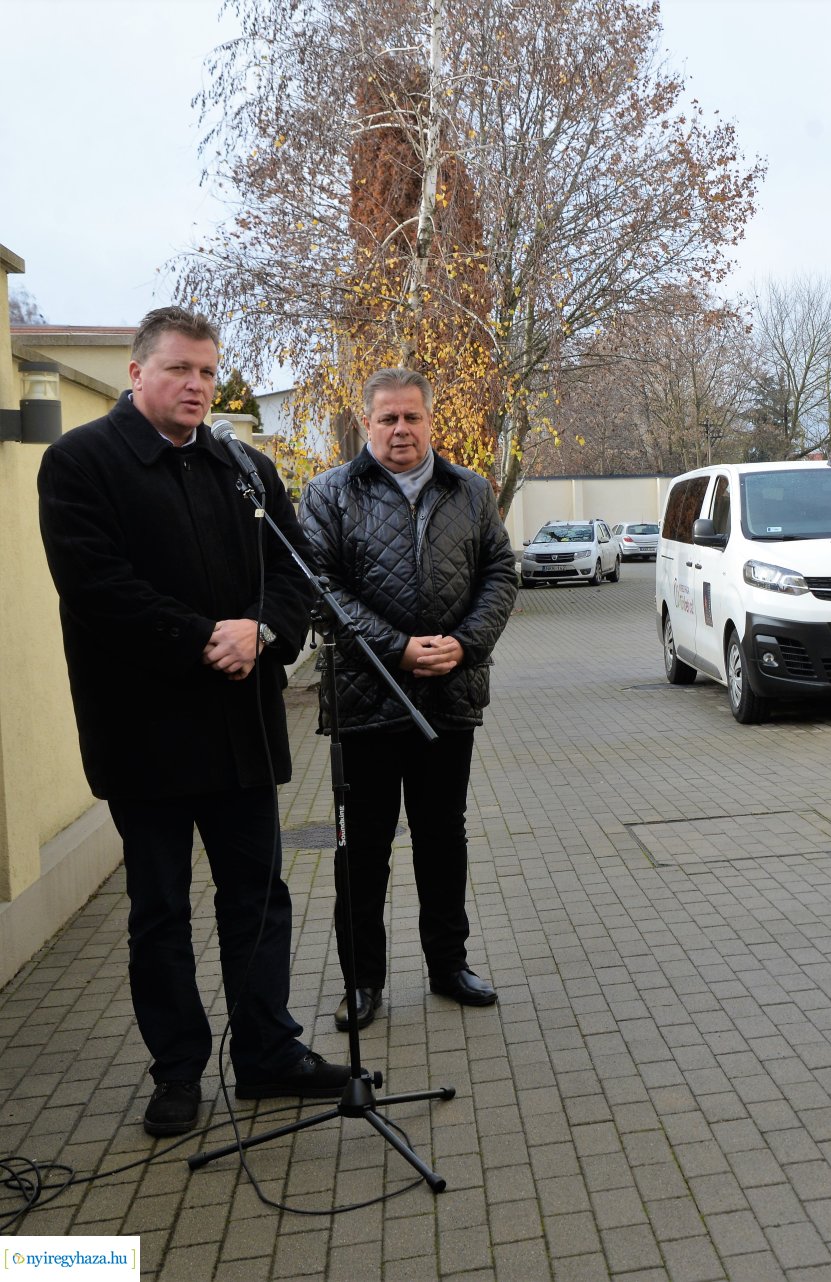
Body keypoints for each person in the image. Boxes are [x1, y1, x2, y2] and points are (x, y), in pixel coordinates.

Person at [37, 307, 349, 1136]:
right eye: (181, 370)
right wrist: (205, 637)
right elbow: (97, 588)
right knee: (160, 913)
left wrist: (266, 631)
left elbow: (294, 573)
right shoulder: (80, 463)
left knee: (259, 898)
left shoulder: (243, 467)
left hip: (241, 731)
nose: (198, 386)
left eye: (209, 372)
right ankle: (177, 1072)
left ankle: (267, 1055)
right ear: (137, 373)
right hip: (145, 739)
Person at [300, 368, 517, 1030]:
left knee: (442, 839)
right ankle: (363, 984)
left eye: (412, 417)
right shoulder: (330, 495)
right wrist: (397, 647)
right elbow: (320, 588)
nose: (401, 430)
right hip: (366, 703)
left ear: (431, 421)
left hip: (449, 696)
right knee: (362, 849)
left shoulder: (471, 492)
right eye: (387, 418)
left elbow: (501, 573)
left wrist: (465, 643)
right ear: (366, 423)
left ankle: (448, 966)